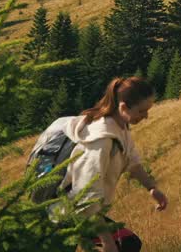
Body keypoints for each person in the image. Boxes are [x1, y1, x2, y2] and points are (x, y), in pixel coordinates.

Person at [36, 76, 169, 251]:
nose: (146, 116)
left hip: (80, 212)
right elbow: (86, 195)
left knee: (128, 244)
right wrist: (106, 240)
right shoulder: (101, 141)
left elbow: (132, 161)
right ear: (123, 107)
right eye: (142, 111)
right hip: (66, 212)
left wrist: (152, 188)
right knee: (126, 245)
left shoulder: (120, 128)